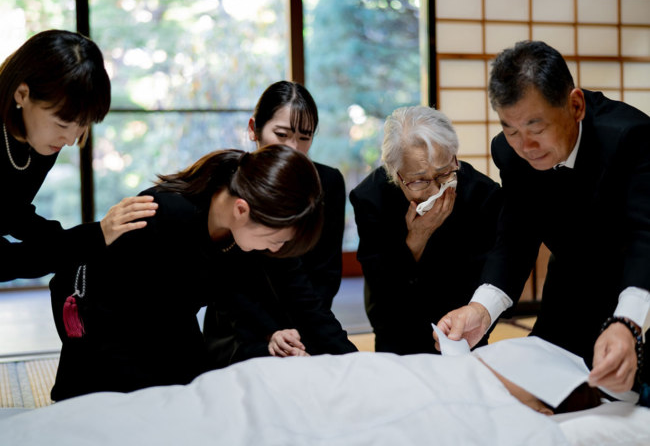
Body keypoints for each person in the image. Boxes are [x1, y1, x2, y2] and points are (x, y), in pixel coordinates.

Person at [49, 144, 356, 401]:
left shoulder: (238, 225)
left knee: (203, 396)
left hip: (167, 324)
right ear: (241, 210)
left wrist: (272, 334)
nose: (276, 249)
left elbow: (235, 290)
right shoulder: (162, 215)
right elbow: (119, 313)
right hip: (105, 328)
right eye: (276, 240)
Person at [436, 40, 650, 394]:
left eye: (536, 129)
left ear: (575, 105)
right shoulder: (509, 153)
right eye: (511, 129)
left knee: (631, 403)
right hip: (569, 288)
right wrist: (480, 309)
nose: (526, 146)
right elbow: (515, 238)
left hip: (639, 288)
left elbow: (646, 238)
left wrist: (628, 323)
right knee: (540, 392)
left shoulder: (631, 137)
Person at [202, 80, 348, 363]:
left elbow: (325, 275)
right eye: (281, 134)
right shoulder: (232, 183)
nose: (293, 148)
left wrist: (303, 335)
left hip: (305, 320)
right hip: (240, 325)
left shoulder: (328, 183)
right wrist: (271, 332)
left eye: (305, 137)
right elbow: (228, 283)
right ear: (253, 129)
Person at [0, 29, 158, 282]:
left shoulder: (38, 138)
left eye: (83, 125)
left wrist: (98, 236)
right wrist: (92, 238)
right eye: (62, 124)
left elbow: (12, 214)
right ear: (22, 94)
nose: (71, 140)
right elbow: (6, 261)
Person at [349, 106, 502, 354]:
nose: (435, 191)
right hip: (397, 326)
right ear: (396, 173)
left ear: (454, 158)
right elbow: (381, 285)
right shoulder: (372, 198)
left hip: (462, 330)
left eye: (443, 174)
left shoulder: (482, 194)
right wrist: (416, 239)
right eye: (420, 180)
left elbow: (487, 278)